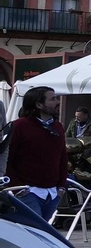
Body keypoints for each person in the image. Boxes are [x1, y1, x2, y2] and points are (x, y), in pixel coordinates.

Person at [6, 86, 69, 223]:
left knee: (42, 231)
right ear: (39, 105)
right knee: (34, 230)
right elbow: (7, 159)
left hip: (52, 193)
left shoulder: (57, 127)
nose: (58, 102)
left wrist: (61, 187)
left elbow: (62, 157)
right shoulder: (19, 126)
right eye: (52, 99)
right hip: (28, 191)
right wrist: (18, 188)